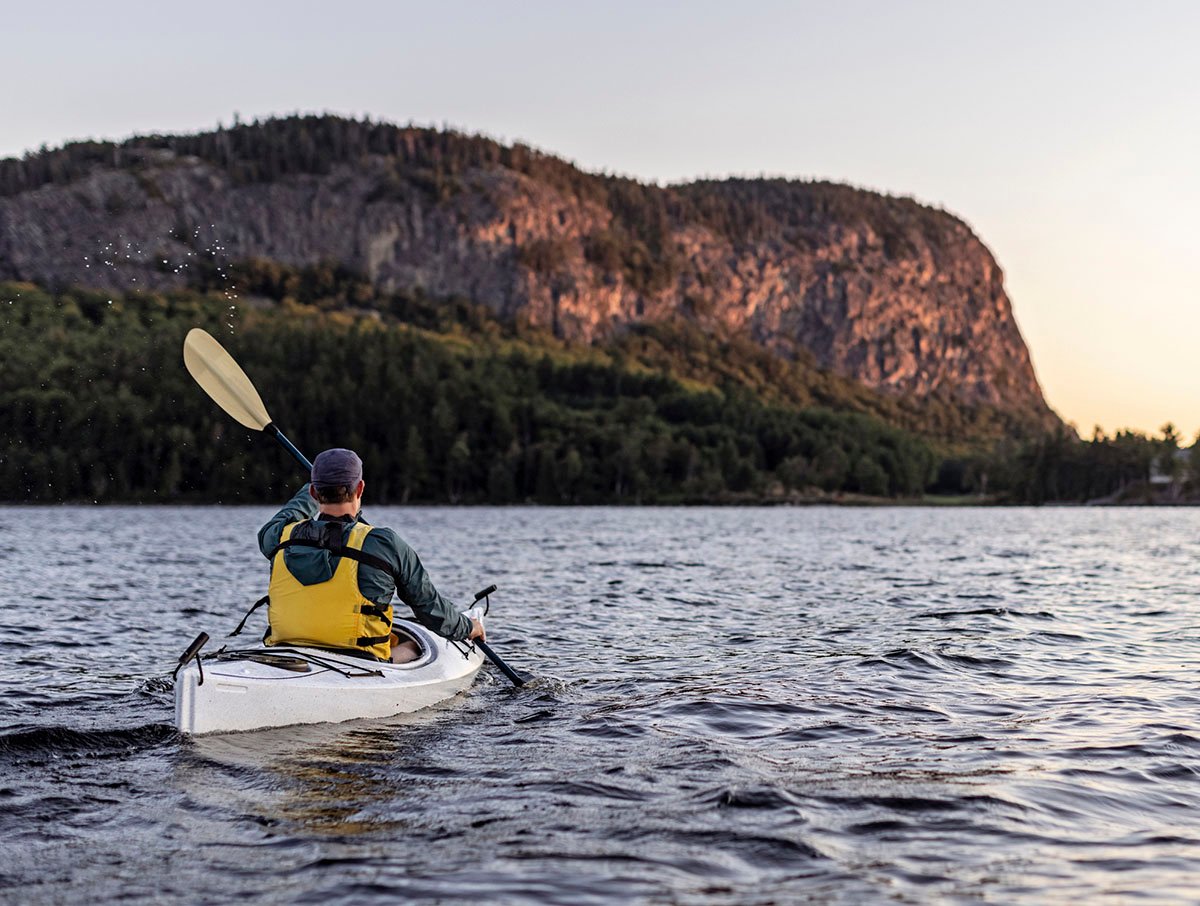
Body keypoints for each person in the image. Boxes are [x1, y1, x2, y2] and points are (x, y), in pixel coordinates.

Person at [257, 448, 484, 663]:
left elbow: (287, 516)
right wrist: (469, 627)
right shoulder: (383, 543)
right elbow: (430, 609)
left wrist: (313, 488)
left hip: (286, 652)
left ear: (314, 493)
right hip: (361, 661)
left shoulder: (279, 536)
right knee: (416, 643)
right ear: (360, 488)